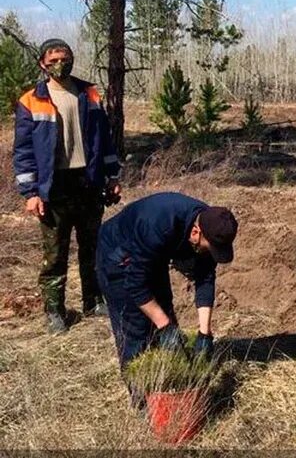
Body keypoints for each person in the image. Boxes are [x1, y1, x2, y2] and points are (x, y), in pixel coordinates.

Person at [13, 38, 121, 334]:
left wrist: (112, 176)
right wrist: (31, 193)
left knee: (92, 246)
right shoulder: (31, 100)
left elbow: (105, 140)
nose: (61, 64)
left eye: (65, 58)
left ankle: (93, 300)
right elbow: (23, 151)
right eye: (54, 61)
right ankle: (54, 311)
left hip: (87, 181)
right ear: (43, 65)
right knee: (55, 253)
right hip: (54, 186)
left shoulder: (89, 93)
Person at [96, 192, 238, 375]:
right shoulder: (158, 224)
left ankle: (171, 385)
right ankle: (142, 399)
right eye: (208, 248)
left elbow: (205, 278)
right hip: (118, 255)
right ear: (196, 233)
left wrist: (204, 334)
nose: (209, 252)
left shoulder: (211, 226)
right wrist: (165, 327)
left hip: (154, 253)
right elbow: (136, 284)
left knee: (164, 311)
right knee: (136, 329)